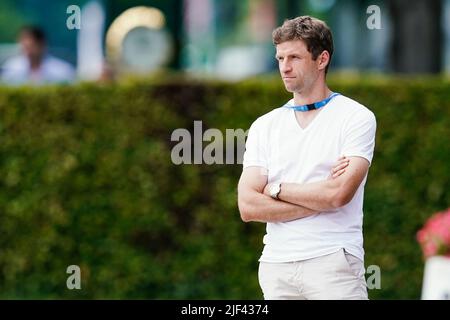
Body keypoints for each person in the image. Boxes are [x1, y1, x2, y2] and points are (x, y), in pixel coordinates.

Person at [237, 16, 377, 300]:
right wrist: (318, 198)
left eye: (294, 57)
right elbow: (248, 205)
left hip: (333, 263)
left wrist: (276, 189)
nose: (284, 67)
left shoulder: (356, 117)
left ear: (321, 59)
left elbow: (338, 194)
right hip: (276, 266)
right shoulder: (265, 125)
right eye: (280, 58)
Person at [1, 26, 75, 85]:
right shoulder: (11, 69)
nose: (28, 52)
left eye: (31, 46)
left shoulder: (62, 71)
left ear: (42, 44)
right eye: (25, 47)